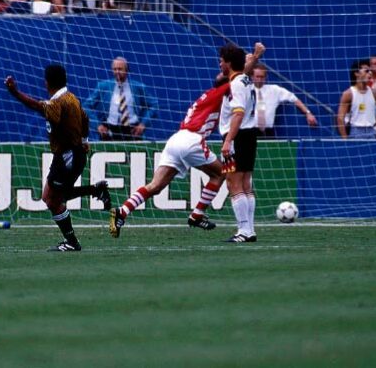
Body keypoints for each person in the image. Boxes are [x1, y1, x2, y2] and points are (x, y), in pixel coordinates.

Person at [109, 43, 265, 239]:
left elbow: (238, 74)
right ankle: (199, 215)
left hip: (176, 139)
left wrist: (252, 58)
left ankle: (122, 211)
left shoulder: (206, 95)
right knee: (221, 175)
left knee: (155, 185)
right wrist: (256, 56)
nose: (219, 68)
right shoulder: (225, 90)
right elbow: (241, 73)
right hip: (192, 140)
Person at [4, 64, 111, 251]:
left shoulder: (59, 102)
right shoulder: (71, 98)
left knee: (53, 200)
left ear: (46, 82)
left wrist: (15, 92)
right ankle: (96, 190)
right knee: (51, 196)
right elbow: (85, 117)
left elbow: (37, 106)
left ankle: (72, 242)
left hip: (68, 157)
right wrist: (85, 139)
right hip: (67, 156)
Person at [222, 43, 268, 243]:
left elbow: (238, 113)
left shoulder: (236, 84)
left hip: (237, 135)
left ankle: (243, 230)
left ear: (229, 63)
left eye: (222, 61)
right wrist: (255, 56)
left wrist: (228, 141)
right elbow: (245, 68)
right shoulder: (245, 80)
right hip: (250, 134)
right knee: (246, 183)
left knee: (234, 183)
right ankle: (249, 230)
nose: (220, 64)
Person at [86, 56, 157, 141]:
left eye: (120, 69)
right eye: (114, 69)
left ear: (127, 70)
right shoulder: (103, 86)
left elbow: (153, 105)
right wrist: (97, 125)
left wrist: (143, 124)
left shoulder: (138, 87)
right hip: (110, 131)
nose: (117, 72)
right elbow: (86, 106)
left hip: (132, 130)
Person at [249, 64, 317, 138]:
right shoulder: (246, 90)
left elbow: (294, 99)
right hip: (249, 131)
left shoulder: (274, 90)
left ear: (265, 77)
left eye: (262, 77)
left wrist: (308, 113)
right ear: (252, 77)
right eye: (257, 76)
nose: (259, 79)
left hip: (267, 132)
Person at [337, 59, 376, 139]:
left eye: (370, 71)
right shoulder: (348, 94)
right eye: (366, 71)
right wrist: (345, 139)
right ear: (356, 73)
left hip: (372, 131)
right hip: (356, 131)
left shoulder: (374, 93)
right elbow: (340, 118)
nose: (370, 73)